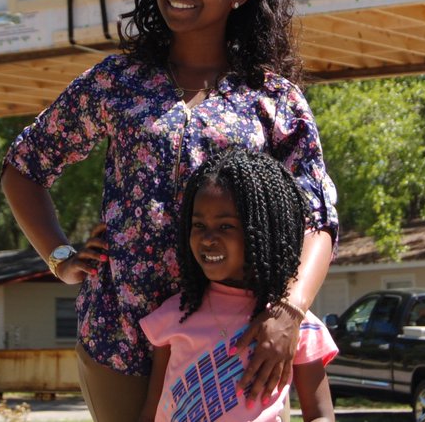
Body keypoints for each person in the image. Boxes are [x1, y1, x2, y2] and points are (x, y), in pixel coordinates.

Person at [0, 0, 339, 422]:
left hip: (235, 331)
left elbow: (317, 217)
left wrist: (288, 312)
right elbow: (23, 167)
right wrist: (61, 258)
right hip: (119, 332)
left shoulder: (273, 100)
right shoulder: (117, 81)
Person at [138, 149, 338, 422]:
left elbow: (320, 415)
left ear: (262, 231)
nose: (207, 239)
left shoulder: (292, 326)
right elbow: (152, 411)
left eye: (225, 227)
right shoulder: (172, 316)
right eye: (198, 225)